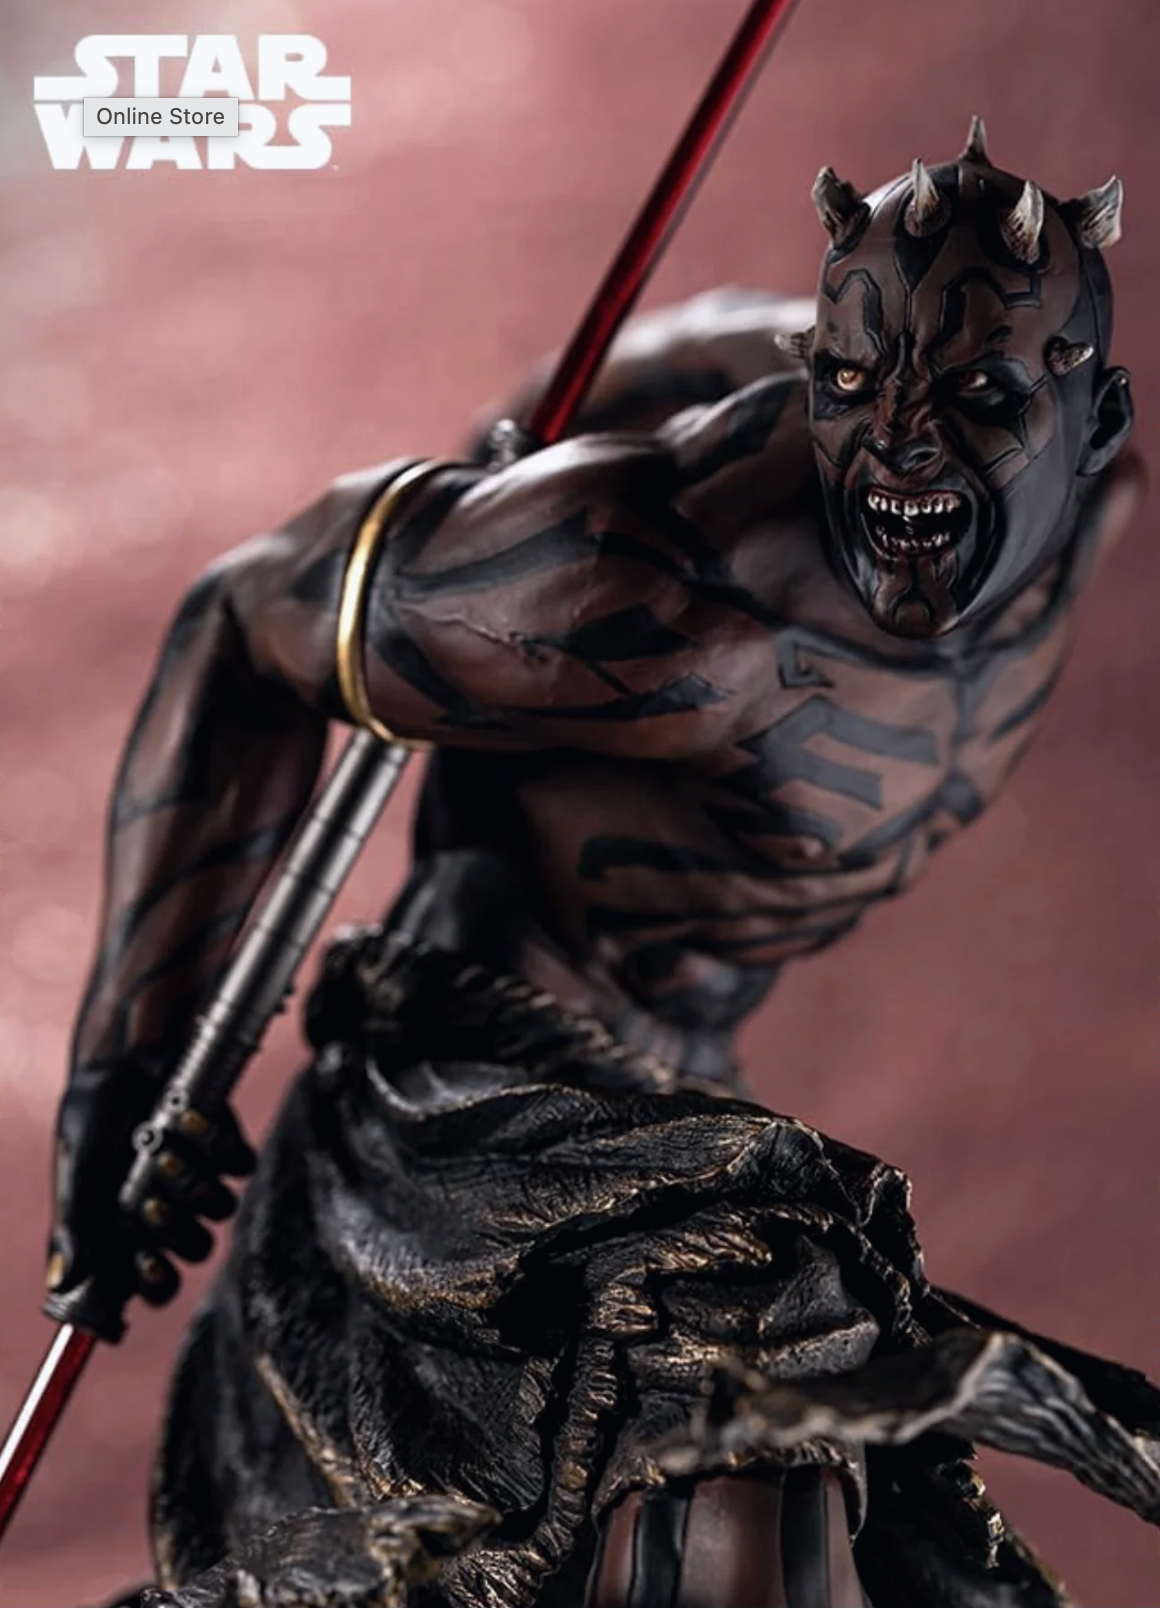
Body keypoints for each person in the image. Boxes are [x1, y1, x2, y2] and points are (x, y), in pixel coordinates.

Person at [47, 122, 1160, 1607]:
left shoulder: (1087, 514)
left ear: (1097, 415)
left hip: (687, 1109)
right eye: (851, 385)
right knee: (756, 1391)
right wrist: (124, 1075)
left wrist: (697, 366)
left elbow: (754, 340)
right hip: (464, 1115)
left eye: (976, 397)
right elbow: (247, 625)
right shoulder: (650, 590)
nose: (899, 443)